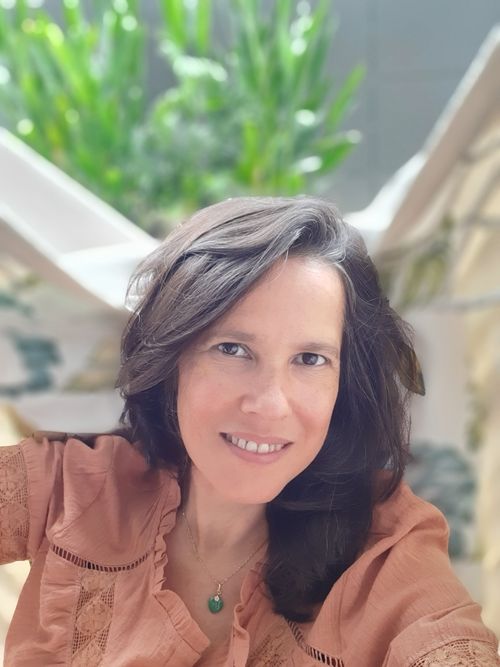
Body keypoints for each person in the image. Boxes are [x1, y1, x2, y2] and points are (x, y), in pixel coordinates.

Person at [0, 196, 498, 667]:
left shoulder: (389, 556)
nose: (269, 404)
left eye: (310, 359)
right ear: (173, 359)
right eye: (233, 349)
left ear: (343, 384)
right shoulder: (73, 485)